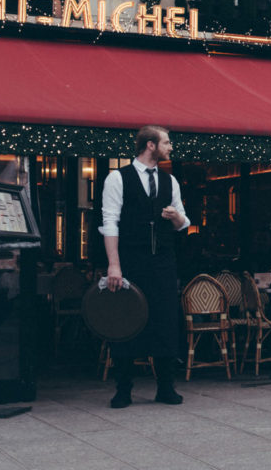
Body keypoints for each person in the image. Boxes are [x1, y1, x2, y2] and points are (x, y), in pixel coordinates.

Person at [100, 125, 190, 409]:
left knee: (165, 321)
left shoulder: (170, 181)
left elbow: (183, 224)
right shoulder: (117, 178)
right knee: (125, 322)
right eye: (166, 142)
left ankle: (166, 387)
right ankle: (123, 389)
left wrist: (176, 216)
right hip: (131, 260)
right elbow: (110, 222)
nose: (170, 147)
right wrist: (114, 266)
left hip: (163, 261)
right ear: (150, 145)